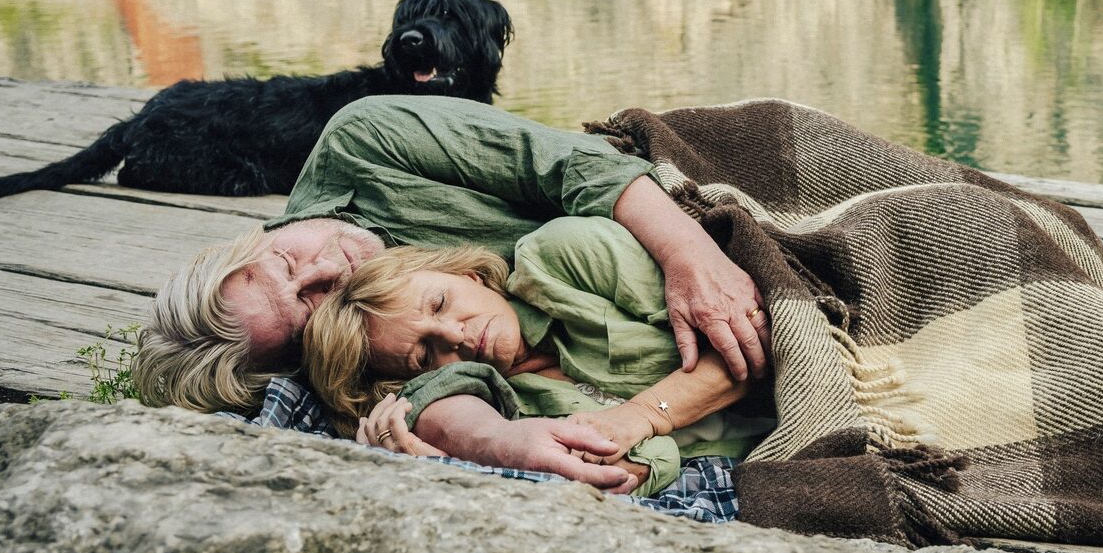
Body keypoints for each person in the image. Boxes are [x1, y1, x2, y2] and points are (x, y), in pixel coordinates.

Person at [132, 95, 770, 490]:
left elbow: (576, 165)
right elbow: (425, 395)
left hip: (647, 225)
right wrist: (400, 441)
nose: (325, 269)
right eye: (308, 312)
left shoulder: (364, 141)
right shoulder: (380, 354)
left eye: (284, 261)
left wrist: (693, 256)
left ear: (253, 239)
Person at [300, 220, 774, 497]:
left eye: (440, 304)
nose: (456, 336)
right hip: (771, 447)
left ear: (467, 275)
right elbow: (636, 470)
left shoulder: (562, 255)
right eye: (425, 354)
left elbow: (748, 329)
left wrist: (643, 415)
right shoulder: (515, 413)